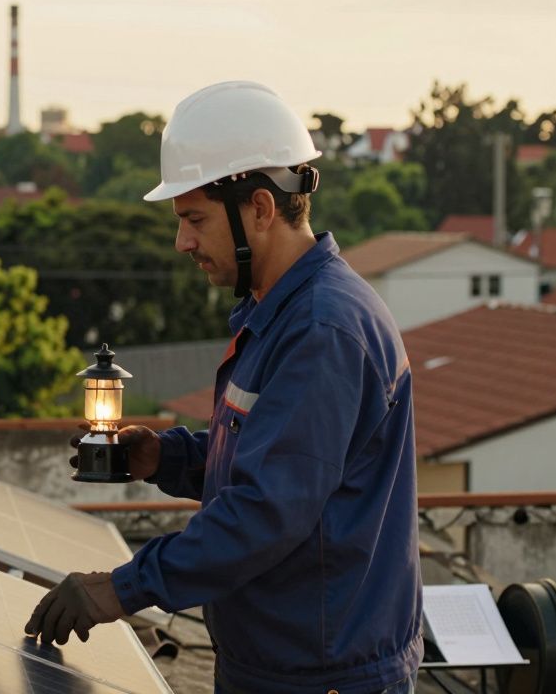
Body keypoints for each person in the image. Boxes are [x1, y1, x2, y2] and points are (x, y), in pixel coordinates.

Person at [25, 81, 422, 693]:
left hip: (322, 675)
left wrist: (122, 588)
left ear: (260, 209)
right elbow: (270, 453)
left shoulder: (323, 330)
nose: (182, 241)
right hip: (279, 662)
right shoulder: (279, 312)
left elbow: (267, 511)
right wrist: (169, 456)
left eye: (194, 219)